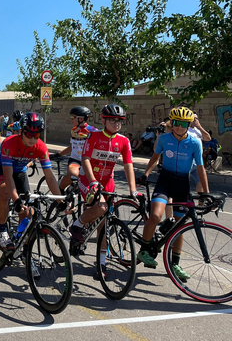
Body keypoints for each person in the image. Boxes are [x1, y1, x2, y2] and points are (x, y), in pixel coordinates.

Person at [136, 107, 208, 280]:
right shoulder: (165, 139)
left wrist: (205, 193)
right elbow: (155, 157)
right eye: (176, 123)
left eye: (184, 124)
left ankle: (175, 264)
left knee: (179, 227)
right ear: (171, 123)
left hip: (182, 185)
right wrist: (146, 173)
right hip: (165, 182)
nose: (179, 127)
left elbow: (200, 168)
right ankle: (144, 251)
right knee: (155, 216)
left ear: (189, 125)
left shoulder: (195, 142)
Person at [68, 104, 137, 278]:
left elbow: (129, 165)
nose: (116, 123)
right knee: (101, 208)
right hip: (88, 178)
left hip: (108, 182)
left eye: (120, 120)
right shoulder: (94, 136)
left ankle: (102, 263)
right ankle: (77, 225)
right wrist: (92, 181)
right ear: (104, 120)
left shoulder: (123, 141)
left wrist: (133, 190)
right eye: (113, 120)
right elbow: (85, 159)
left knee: (104, 225)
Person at [0, 113, 62, 250]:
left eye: (36, 136)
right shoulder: (9, 143)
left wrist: (61, 201)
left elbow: (49, 176)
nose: (32, 139)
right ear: (21, 132)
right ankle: (2, 231)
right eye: (29, 134)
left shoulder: (41, 147)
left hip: (20, 171)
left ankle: (21, 242)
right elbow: (8, 176)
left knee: (27, 211)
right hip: (1, 167)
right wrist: (16, 199)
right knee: (6, 192)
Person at [57, 106, 98, 192]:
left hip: (87, 162)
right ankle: (60, 189)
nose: (71, 119)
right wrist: (58, 154)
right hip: (75, 160)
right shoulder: (73, 130)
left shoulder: (93, 131)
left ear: (81, 119)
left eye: (73, 117)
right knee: (73, 174)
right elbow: (71, 147)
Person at [187, 112, 211, 193]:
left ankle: (201, 201)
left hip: (197, 161)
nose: (195, 120)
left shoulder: (197, 130)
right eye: (194, 119)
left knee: (201, 181)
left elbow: (208, 138)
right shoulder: (185, 130)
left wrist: (199, 127)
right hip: (188, 160)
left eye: (197, 119)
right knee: (183, 181)